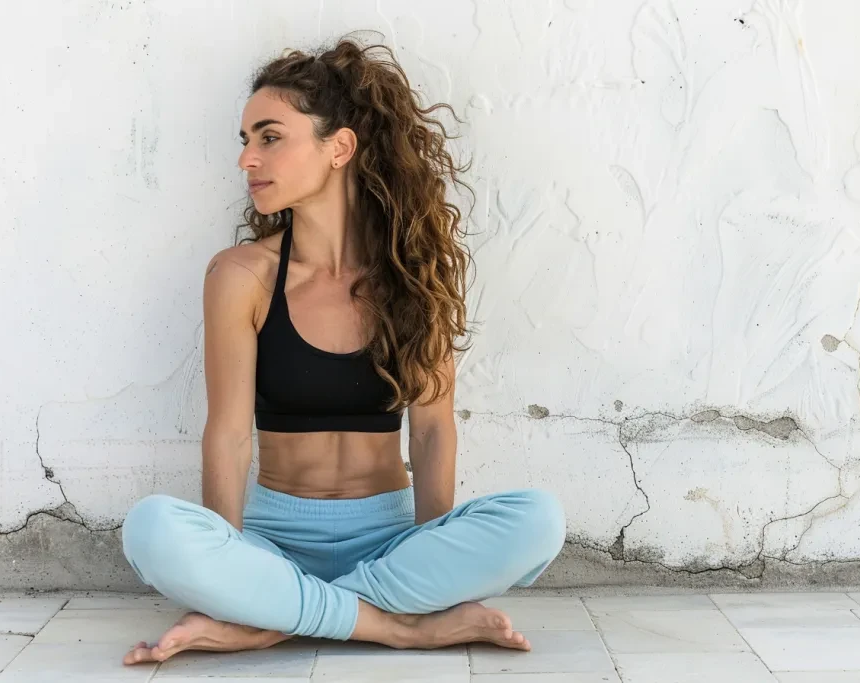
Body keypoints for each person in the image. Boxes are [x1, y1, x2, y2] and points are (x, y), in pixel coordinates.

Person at [119, 38, 566, 665]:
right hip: (271, 542)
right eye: (245, 139)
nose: (247, 158)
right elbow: (227, 434)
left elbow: (433, 431)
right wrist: (229, 564)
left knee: (540, 520)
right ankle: (388, 625)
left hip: (389, 543)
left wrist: (430, 552)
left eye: (270, 136)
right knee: (151, 528)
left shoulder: (414, 276)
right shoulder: (241, 276)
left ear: (340, 148)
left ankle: (278, 617)